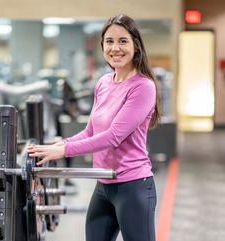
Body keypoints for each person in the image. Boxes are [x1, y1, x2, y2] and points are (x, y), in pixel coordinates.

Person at [27, 13, 161, 241]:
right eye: (109, 41)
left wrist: (65, 150)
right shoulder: (103, 83)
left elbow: (113, 136)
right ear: (102, 46)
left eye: (123, 41)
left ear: (136, 47)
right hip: (103, 184)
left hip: (133, 186)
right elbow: (90, 132)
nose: (115, 48)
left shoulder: (143, 87)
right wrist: (58, 145)